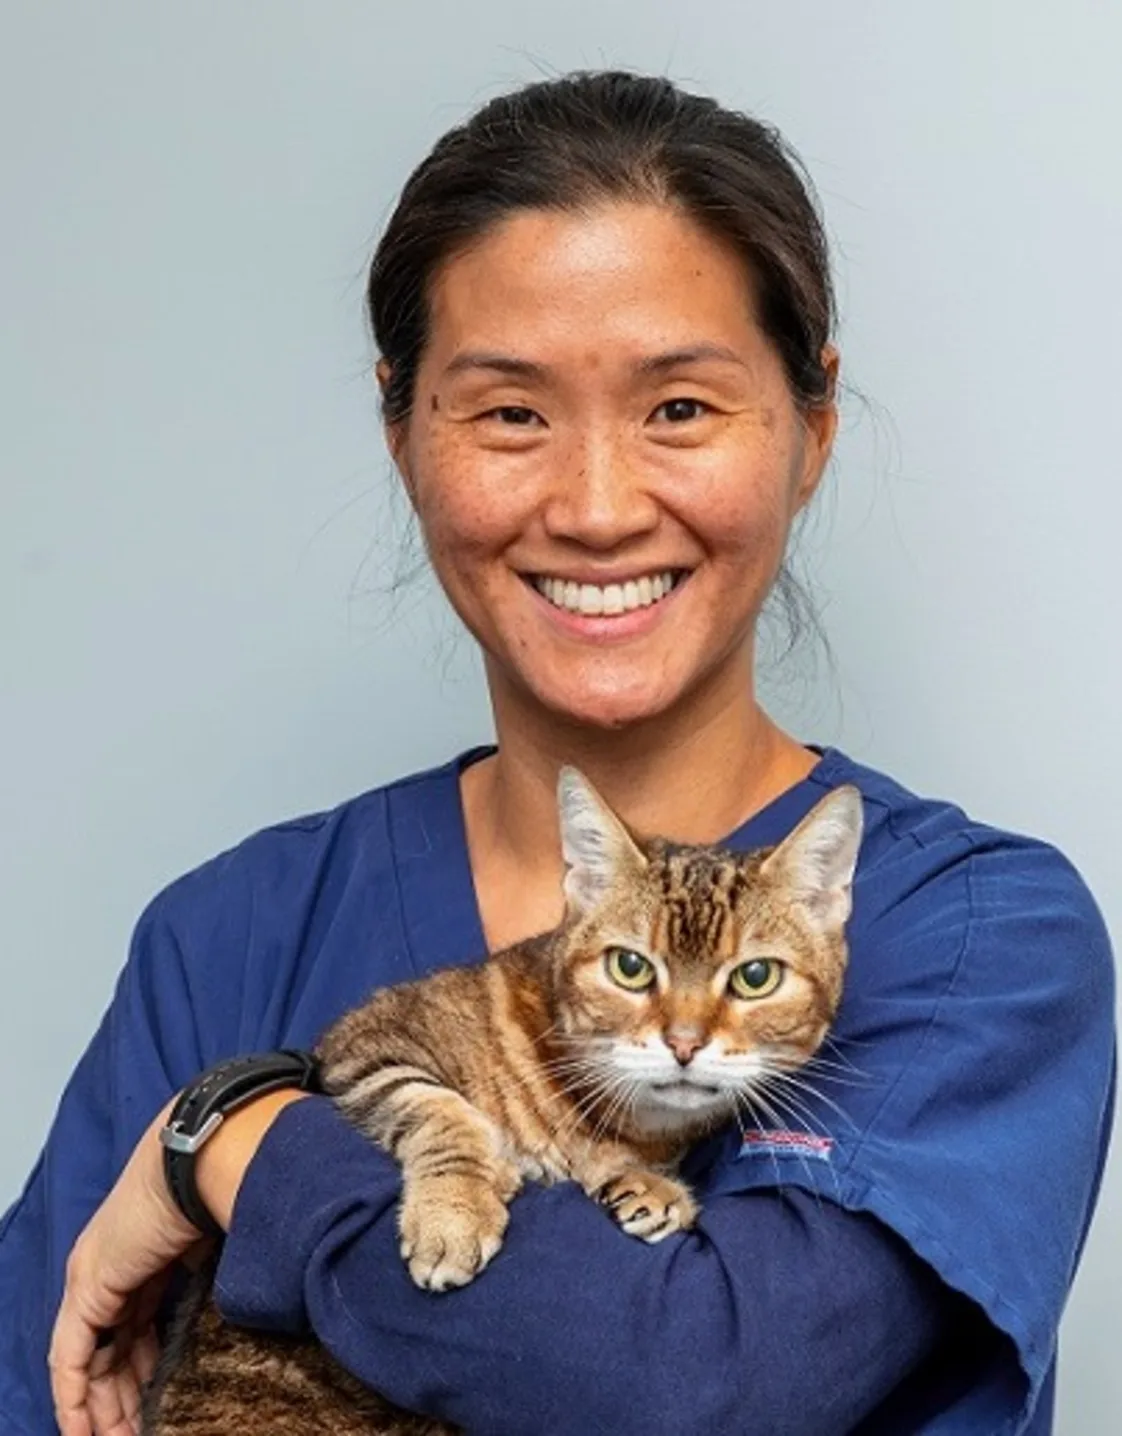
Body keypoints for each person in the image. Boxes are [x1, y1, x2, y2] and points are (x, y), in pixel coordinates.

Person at [0, 69, 1113, 1436]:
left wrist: (230, 1139)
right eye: (511, 413)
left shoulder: (973, 935)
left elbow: (696, 1384)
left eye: (680, 408)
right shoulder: (228, 935)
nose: (595, 508)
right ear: (402, 435)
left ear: (812, 429)